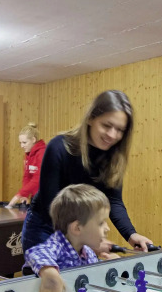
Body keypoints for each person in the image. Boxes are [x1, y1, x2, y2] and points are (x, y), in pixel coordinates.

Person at [21, 90, 153, 256]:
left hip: (80, 229)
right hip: (45, 227)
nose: (112, 135)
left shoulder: (113, 158)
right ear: (90, 118)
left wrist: (131, 234)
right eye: (106, 126)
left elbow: (113, 201)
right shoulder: (59, 147)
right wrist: (88, 238)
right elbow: (52, 206)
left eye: (120, 130)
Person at [25, 184, 110, 292]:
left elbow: (92, 278)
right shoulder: (57, 245)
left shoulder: (88, 252)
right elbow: (36, 252)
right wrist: (49, 273)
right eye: (101, 223)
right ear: (77, 228)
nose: (107, 228)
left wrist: (109, 266)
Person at [7, 123, 46, 207]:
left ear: (33, 139)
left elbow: (39, 177)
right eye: (20, 143)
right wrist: (24, 195)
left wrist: (19, 194)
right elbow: (27, 176)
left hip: (46, 195)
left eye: (24, 142)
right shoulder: (28, 154)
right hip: (35, 196)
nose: (22, 146)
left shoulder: (42, 153)